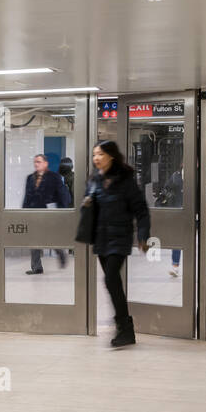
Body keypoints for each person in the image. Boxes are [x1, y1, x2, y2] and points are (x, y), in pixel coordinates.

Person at [84, 139, 151, 348]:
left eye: (100, 154)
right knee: (113, 283)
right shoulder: (95, 180)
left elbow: (141, 209)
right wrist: (86, 204)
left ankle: (125, 328)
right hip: (102, 239)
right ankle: (124, 328)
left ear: (111, 156)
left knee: (111, 279)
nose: (96, 158)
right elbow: (92, 207)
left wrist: (143, 234)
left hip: (120, 238)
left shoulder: (125, 180)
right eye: (94, 154)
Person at [22, 153, 73, 273]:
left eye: (39, 162)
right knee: (34, 240)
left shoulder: (54, 177)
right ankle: (37, 267)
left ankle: (61, 253)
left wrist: (62, 211)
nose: (36, 164)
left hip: (48, 214)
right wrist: (23, 213)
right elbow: (27, 197)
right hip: (34, 214)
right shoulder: (30, 178)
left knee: (50, 238)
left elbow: (63, 195)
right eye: (35, 162)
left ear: (45, 163)